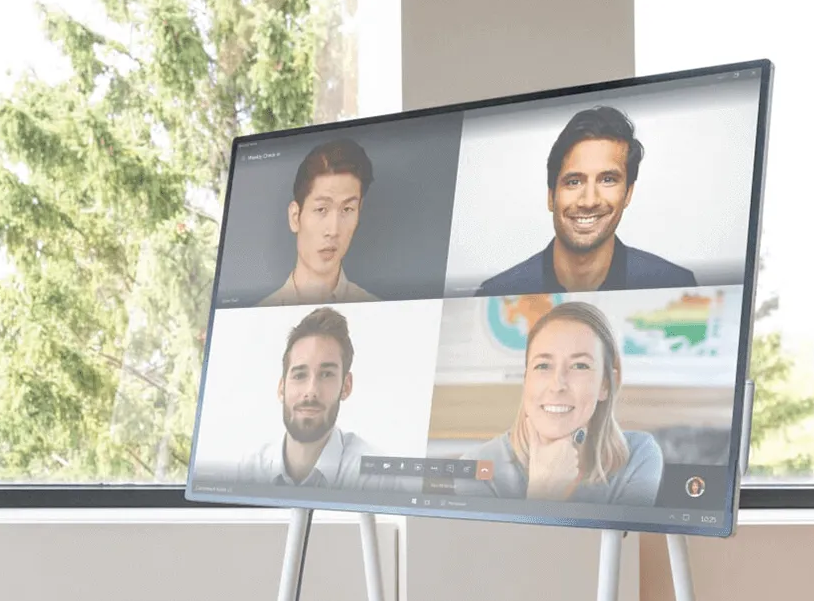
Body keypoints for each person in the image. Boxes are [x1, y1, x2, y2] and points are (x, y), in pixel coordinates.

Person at [453, 302, 663, 505]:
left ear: (606, 385)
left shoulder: (638, 456)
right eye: (543, 365)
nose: (557, 385)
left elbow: (627, 542)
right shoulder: (476, 469)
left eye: (580, 366)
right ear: (526, 379)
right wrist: (544, 492)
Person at [475, 106, 697, 296]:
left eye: (608, 180)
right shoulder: (497, 293)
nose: (589, 201)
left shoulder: (675, 287)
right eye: (574, 182)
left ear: (628, 193)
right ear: (551, 196)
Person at [236, 307, 412, 492]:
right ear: (281, 388)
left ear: (346, 386)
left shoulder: (376, 479)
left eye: (326, 374)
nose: (311, 391)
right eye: (299, 375)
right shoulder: (247, 472)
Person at [257, 138, 379, 306]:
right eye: (321, 209)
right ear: (295, 217)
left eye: (347, 209)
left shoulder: (376, 311)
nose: (334, 230)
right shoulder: (259, 315)